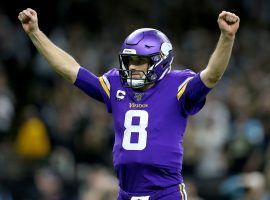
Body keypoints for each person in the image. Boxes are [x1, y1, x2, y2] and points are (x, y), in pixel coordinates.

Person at [18, 8, 240, 200]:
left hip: (165, 192)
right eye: (129, 61)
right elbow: (70, 70)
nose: (132, 68)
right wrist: (36, 34)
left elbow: (211, 75)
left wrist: (226, 38)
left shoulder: (178, 85)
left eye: (139, 62)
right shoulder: (116, 84)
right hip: (126, 192)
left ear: (160, 62)